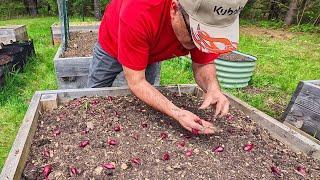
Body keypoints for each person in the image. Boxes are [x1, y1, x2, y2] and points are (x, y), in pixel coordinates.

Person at [88, 0, 248, 134]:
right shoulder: (138, 9)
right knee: (94, 95)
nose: (199, 45)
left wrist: (213, 88)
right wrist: (177, 113)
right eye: (195, 36)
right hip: (112, 43)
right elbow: (136, 82)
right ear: (174, 9)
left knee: (146, 102)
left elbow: (202, 63)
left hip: (152, 50)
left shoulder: (201, 11)